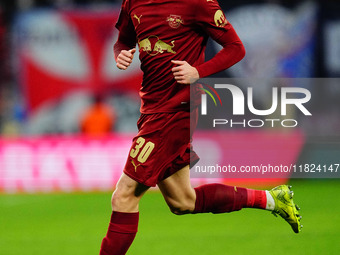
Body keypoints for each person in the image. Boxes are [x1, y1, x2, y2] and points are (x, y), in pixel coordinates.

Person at [99, 0, 302, 254]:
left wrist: (198, 71)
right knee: (183, 201)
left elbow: (235, 48)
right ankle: (273, 199)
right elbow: (123, 41)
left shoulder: (198, 3)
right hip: (151, 108)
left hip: (176, 110)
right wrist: (121, 53)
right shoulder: (133, 2)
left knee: (124, 196)